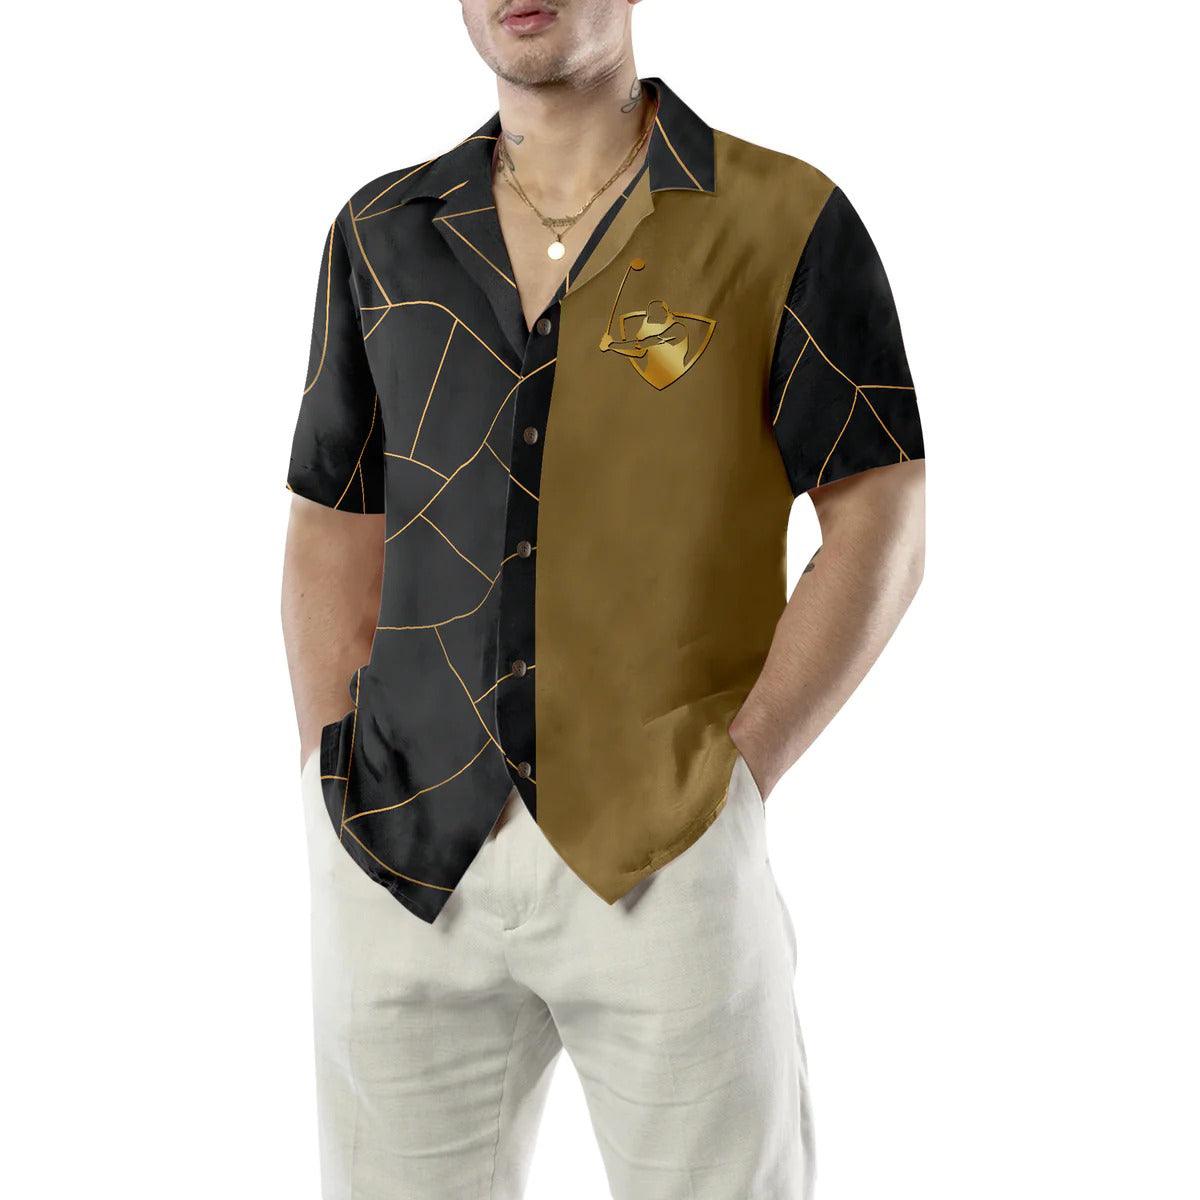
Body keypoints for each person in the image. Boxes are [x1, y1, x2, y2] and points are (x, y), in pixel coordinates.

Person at [281, 2, 925, 1196]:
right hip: (402, 857)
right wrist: (333, 759)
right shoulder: (380, 233)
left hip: (665, 849)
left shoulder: (783, 218)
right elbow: (333, 518)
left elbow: (880, 510)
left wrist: (742, 773)